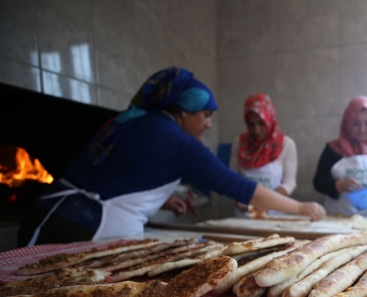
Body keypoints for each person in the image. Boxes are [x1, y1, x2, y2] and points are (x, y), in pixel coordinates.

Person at [17, 67, 325, 246]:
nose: (208, 124)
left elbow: (113, 173)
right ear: (184, 111)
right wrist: (299, 206)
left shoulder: (130, 121)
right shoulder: (177, 141)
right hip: (84, 229)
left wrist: (163, 200)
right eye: (205, 115)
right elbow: (237, 186)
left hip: (44, 215)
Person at [313, 96, 367, 216]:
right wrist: (339, 185)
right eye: (356, 124)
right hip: (339, 219)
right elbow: (318, 182)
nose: (362, 129)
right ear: (347, 122)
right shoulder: (333, 149)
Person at [229, 94, 297, 217]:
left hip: (274, 214)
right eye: (251, 125)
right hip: (244, 214)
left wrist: (266, 201)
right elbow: (231, 177)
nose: (256, 130)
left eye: (261, 123)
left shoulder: (286, 144)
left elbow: (289, 183)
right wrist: (237, 197)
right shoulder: (240, 142)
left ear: (270, 119)